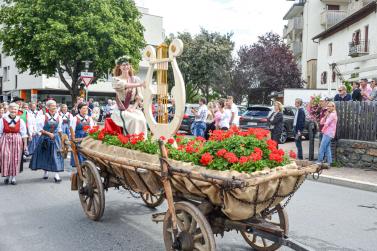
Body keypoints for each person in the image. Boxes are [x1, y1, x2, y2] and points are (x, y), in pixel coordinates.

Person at [110, 56, 147, 136]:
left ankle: (141, 140)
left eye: (127, 64)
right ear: (119, 67)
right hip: (122, 108)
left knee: (142, 120)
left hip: (133, 107)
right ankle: (131, 139)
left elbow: (139, 96)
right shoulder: (115, 79)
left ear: (130, 66)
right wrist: (140, 84)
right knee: (134, 119)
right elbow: (125, 85)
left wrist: (133, 107)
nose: (125, 66)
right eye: (123, 65)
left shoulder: (135, 79)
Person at [29, 100, 64, 183]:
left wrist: (62, 138)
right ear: (47, 107)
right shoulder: (42, 117)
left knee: (56, 156)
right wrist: (48, 133)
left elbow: (59, 129)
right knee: (45, 155)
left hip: (55, 138)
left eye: (55, 105)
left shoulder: (59, 117)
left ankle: (56, 175)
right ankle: (45, 172)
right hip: (45, 138)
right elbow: (39, 129)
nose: (54, 107)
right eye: (52, 106)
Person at [0, 103, 28, 185]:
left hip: (17, 140)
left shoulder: (20, 120)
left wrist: (25, 145)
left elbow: (24, 134)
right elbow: (0, 132)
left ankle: (13, 177)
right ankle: (7, 176)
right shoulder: (2, 120)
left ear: (17, 110)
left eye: (15, 109)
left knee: (15, 158)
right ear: (8, 109)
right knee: (5, 156)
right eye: (12, 108)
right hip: (5, 139)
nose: (13, 110)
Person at [70, 103, 94, 174]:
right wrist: (73, 139)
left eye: (86, 108)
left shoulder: (89, 118)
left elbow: (92, 129)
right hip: (78, 138)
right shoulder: (75, 118)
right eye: (83, 108)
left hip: (87, 138)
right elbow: (72, 130)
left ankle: (87, 168)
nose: (85, 110)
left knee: (87, 154)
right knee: (79, 154)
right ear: (79, 109)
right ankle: (80, 169)